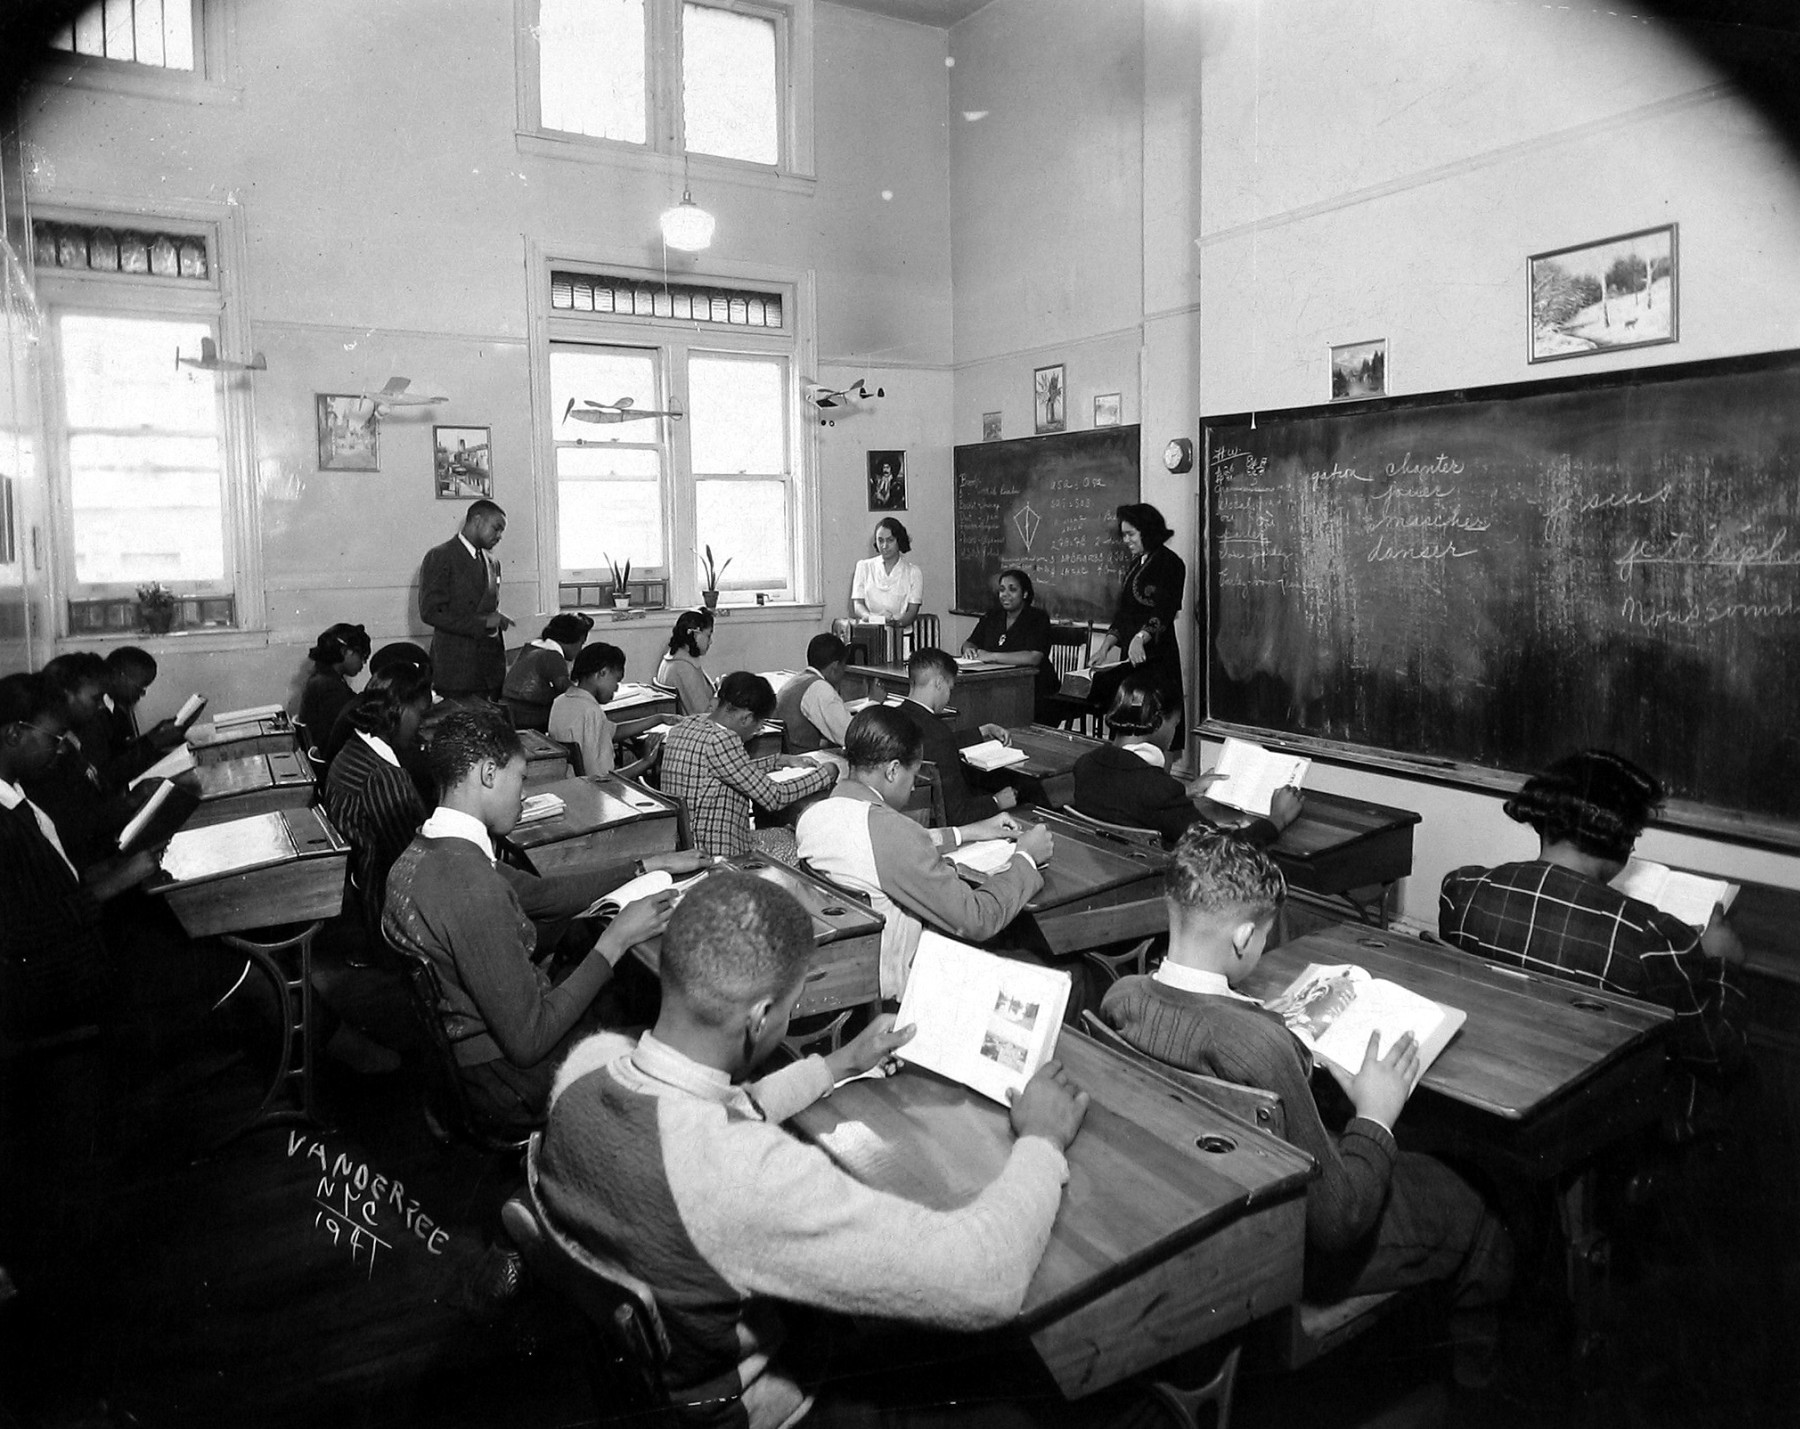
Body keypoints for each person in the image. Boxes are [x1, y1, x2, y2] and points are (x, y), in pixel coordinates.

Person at [536, 871, 1092, 1428]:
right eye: (789, 1009)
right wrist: (1042, 1141)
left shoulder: (585, 1067)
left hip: (655, 1369)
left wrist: (835, 1065)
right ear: (758, 1019)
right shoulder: (742, 1177)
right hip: (773, 1405)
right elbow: (984, 1279)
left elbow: (702, 1113)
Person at [1102, 830, 1512, 1383]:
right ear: (1245, 937)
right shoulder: (1261, 1047)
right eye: (1266, 937)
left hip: (1190, 1203)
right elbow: (1340, 1221)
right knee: (1478, 1210)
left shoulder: (1121, 996)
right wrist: (1375, 1114)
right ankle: (1476, 1390)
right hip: (1285, 1247)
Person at [380, 706, 686, 1134]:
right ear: (489, 774)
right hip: (505, 1081)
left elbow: (545, 896)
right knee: (676, 1039)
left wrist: (643, 865)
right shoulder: (471, 886)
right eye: (520, 779)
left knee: (604, 975)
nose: (523, 794)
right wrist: (615, 940)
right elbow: (529, 1042)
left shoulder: (429, 850)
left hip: (465, 1056)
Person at [1438, 749, 1746, 1086]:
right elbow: (1715, 1056)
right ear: (1623, 839)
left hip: (1490, 1076)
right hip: (1591, 1108)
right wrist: (1722, 964)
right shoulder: (1654, 938)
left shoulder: (1463, 891)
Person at [797, 705, 1050, 997]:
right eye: (913, 774)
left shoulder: (815, 815)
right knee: (1056, 968)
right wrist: (1026, 858)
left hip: (851, 976)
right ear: (892, 770)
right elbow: (977, 919)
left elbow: (888, 849)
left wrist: (970, 832)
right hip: (906, 986)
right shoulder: (892, 834)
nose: (913, 785)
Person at [0, 672, 160, 1039]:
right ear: (13, 735)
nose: (60, 749)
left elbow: (49, 885)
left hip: (79, 961)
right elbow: (15, 935)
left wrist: (107, 871)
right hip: (57, 991)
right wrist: (111, 885)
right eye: (54, 739)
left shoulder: (19, 795)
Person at [1072, 675, 1303, 846]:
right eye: (1175, 723)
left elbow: (1129, 798)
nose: (1173, 732)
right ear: (1159, 722)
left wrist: (1185, 790)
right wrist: (1277, 819)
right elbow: (1220, 850)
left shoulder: (1086, 766)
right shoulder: (1158, 790)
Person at [658, 671, 838, 864]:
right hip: (719, 854)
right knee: (801, 845)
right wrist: (824, 774)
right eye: (758, 726)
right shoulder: (722, 741)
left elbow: (731, 771)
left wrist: (779, 760)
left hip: (687, 846)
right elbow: (775, 797)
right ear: (746, 718)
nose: (756, 732)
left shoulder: (686, 727)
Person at [323, 655, 437, 947]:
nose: (422, 727)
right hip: (387, 918)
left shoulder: (355, 748)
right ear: (398, 709)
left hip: (364, 897)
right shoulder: (383, 777)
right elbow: (414, 860)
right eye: (421, 716)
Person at [892, 646, 1021, 823]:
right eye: (949, 688)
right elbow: (957, 814)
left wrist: (982, 731)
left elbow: (931, 741)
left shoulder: (891, 719)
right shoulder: (939, 734)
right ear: (938, 683)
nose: (948, 697)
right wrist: (996, 801)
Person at [1086, 503, 1186, 727]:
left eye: (1130, 534)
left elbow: (1165, 609)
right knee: (1128, 718)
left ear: (1147, 531)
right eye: (1124, 535)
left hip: (1157, 656)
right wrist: (1105, 648)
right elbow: (1124, 613)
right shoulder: (1136, 564)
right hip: (1132, 657)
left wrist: (1140, 638)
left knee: (1156, 719)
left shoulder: (1170, 563)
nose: (1126, 541)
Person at [419, 499, 513, 702]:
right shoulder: (440, 556)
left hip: (490, 671)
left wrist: (496, 620)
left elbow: (486, 607)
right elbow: (430, 612)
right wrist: (483, 622)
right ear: (477, 520)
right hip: (456, 672)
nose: (499, 536)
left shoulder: (492, 563)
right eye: (496, 529)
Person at [548, 642, 660, 780]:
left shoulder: (560, 701)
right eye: (616, 680)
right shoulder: (591, 712)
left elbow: (613, 732)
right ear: (602, 672)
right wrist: (645, 762)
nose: (616, 688)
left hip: (568, 787)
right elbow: (602, 780)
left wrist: (657, 719)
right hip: (593, 796)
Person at [961, 567, 1058, 717]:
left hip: (1034, 687)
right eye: (1001, 590)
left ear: (1025, 593)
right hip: (996, 682)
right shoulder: (993, 615)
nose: (1005, 595)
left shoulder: (1037, 618)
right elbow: (970, 642)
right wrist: (969, 650)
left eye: (1012, 590)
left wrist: (992, 656)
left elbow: (1034, 657)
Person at [90, 645, 183, 787]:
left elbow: (125, 749)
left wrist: (155, 735)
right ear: (118, 675)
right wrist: (153, 743)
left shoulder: (118, 710)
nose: (143, 693)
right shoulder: (95, 716)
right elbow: (106, 774)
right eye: (141, 687)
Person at [502, 612, 594, 730]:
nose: (580, 649)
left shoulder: (533, 647)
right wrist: (589, 694)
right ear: (571, 639)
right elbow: (567, 690)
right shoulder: (552, 656)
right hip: (528, 718)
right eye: (581, 643)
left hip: (511, 713)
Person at [771, 633, 855, 754]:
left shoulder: (797, 680)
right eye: (843, 665)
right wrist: (874, 703)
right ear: (835, 667)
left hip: (788, 753)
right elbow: (849, 735)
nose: (844, 671)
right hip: (802, 758)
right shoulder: (820, 689)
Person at [297, 622, 371, 748]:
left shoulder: (325, 676)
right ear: (345, 652)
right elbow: (347, 722)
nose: (363, 664)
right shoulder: (329, 686)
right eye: (362, 657)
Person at [851, 516, 923, 630]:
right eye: (880, 540)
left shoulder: (913, 572)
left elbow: (912, 611)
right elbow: (858, 604)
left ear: (899, 540)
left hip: (901, 634)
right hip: (870, 631)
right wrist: (869, 618)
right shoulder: (864, 567)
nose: (884, 546)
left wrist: (895, 624)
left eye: (890, 540)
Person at [655, 609, 719, 716]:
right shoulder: (684, 667)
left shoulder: (674, 659)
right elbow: (705, 714)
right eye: (708, 635)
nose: (711, 641)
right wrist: (721, 693)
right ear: (695, 635)